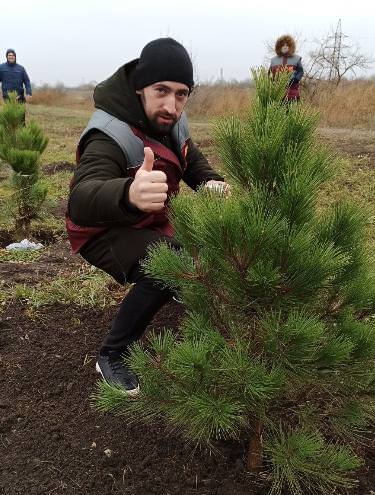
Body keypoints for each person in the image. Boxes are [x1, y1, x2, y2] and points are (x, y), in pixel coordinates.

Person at [66, 38, 228, 396]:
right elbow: (80, 199)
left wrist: (211, 182)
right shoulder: (110, 134)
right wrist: (128, 193)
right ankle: (111, 355)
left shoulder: (171, 123)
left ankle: (182, 291)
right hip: (102, 229)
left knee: (191, 257)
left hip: (146, 223)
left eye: (182, 94)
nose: (172, 105)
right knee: (167, 264)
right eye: (162, 91)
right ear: (140, 87)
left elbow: (191, 159)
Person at [269, 35, 304, 102]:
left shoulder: (296, 59)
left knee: (292, 112)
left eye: (287, 45)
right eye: (283, 45)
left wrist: (295, 79)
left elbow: (300, 71)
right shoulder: (273, 60)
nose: (285, 47)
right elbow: (269, 75)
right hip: (276, 94)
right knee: (277, 112)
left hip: (292, 94)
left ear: (290, 46)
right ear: (279, 46)